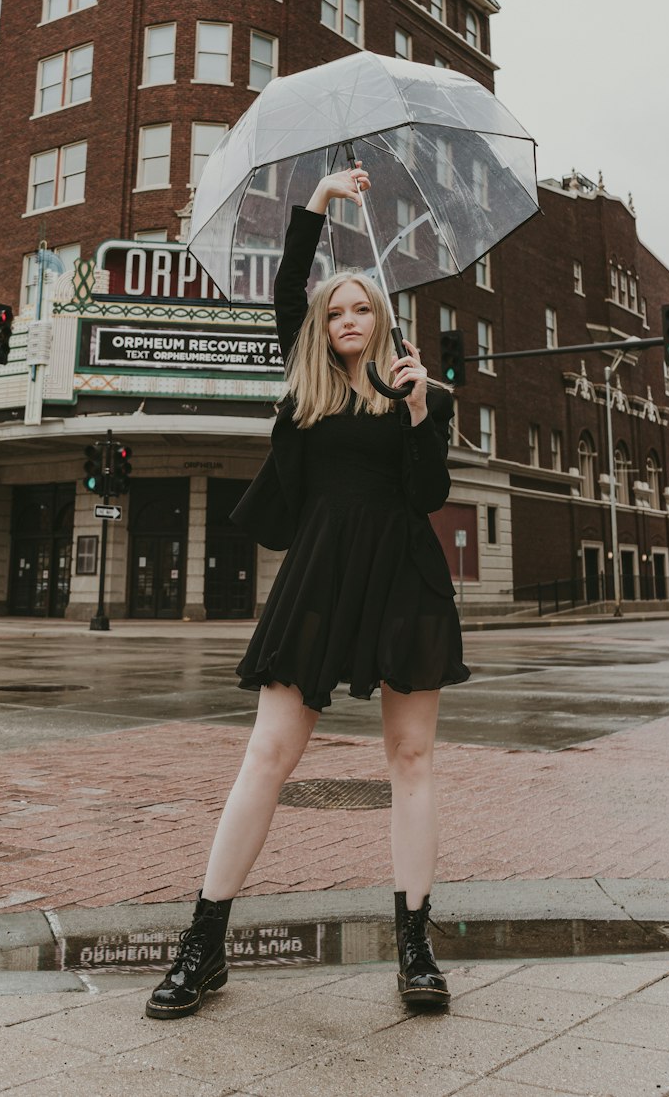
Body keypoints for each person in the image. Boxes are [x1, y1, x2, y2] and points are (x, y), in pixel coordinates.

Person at [145, 166, 470, 1021]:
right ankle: (202, 945)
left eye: (361, 307)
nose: (347, 320)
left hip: (403, 576)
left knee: (411, 760)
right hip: (321, 577)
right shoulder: (309, 387)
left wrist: (414, 412)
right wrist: (318, 204)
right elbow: (290, 286)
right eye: (336, 312)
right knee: (268, 754)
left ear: (383, 316)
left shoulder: (418, 392)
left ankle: (415, 947)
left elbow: (430, 494)